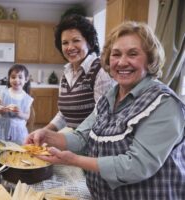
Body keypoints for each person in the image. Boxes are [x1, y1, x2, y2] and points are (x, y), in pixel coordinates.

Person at [25, 21, 185, 199]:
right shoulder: (110, 97)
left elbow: (137, 166)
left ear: (150, 59)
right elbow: (81, 137)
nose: (122, 62)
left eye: (133, 54)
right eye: (116, 54)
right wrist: (46, 136)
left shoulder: (163, 103)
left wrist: (75, 160)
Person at [43, 14, 114, 132]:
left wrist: (69, 139)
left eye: (76, 40)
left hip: (93, 143)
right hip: (73, 139)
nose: (70, 47)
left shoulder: (100, 71)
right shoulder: (66, 74)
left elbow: (101, 116)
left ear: (89, 43)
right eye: (65, 43)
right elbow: (64, 115)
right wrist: (45, 131)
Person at [0, 64, 33, 145]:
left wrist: (20, 113)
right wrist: (2, 110)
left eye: (20, 77)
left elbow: (27, 116)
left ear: (26, 79)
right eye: (13, 77)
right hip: (3, 128)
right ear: (9, 78)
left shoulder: (27, 98)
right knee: (0, 146)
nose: (16, 80)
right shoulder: (4, 93)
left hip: (19, 131)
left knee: (18, 149)